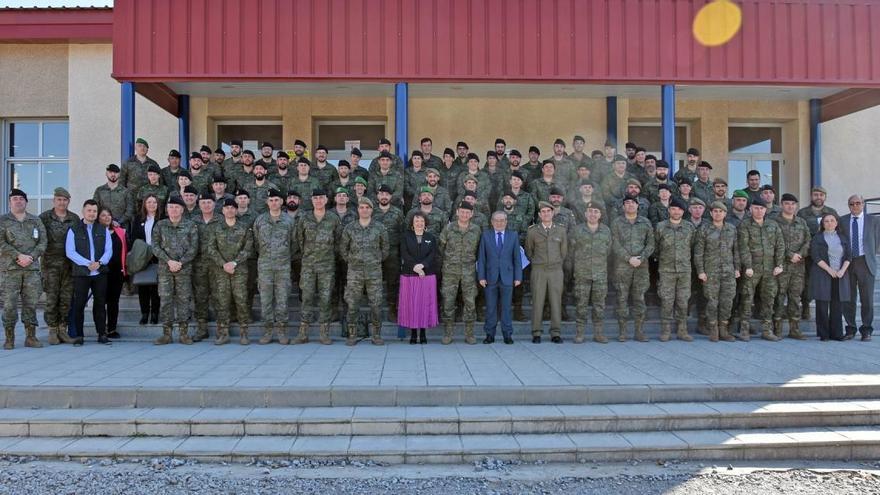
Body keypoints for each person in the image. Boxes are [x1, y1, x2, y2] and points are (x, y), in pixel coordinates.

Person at [293, 188, 341, 344]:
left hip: (327, 266)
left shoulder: (333, 219)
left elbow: (338, 241)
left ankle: (324, 333)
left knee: (325, 298)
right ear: (312, 200)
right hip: (308, 266)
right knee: (306, 297)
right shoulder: (304, 218)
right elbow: (299, 240)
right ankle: (303, 333)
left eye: (321, 198)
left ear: (326, 200)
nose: (318, 201)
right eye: (316, 198)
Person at [1, 189, 47, 350]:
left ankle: (31, 337)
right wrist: (18, 256)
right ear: (10, 202)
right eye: (15, 199)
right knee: (9, 305)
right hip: (10, 270)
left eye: (21, 198)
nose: (18, 201)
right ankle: (9, 338)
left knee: (31, 304)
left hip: (31, 270)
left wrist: (31, 257)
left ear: (26, 202)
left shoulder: (35, 220)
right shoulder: (3, 220)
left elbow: (43, 242)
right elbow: (1, 243)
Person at [340, 197, 389, 346]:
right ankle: (353, 334)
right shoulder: (350, 228)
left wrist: (376, 259)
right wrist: (353, 260)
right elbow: (343, 248)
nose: (364, 210)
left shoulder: (379, 228)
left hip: (374, 272)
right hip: (354, 272)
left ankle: (376, 334)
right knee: (353, 304)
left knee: (376, 304)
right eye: (362, 207)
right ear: (358, 209)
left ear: (372, 210)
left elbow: (385, 248)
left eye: (367, 207)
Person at [151, 195, 199, 345]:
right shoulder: (160, 225)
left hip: (183, 269)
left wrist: (180, 262)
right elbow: (155, 246)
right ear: (166, 209)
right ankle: (166, 334)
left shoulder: (190, 226)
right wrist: (169, 261)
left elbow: (194, 248)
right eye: (171, 207)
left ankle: (184, 334)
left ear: (182, 209)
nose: (173, 210)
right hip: (165, 269)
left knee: (184, 300)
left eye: (177, 207)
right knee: (166, 300)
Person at [736, 198, 785, 341]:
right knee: (747, 297)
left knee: (768, 298)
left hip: (770, 269)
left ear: (765, 210)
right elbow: (743, 247)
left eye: (761, 208)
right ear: (751, 209)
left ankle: (767, 330)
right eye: (756, 208)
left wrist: (779, 264)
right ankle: (744, 330)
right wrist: (748, 266)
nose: (759, 211)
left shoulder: (773, 225)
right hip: (752, 268)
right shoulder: (745, 225)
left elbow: (780, 245)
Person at [65, 199, 113, 346]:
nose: (92, 213)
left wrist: (99, 263)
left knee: (100, 304)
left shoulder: (103, 229)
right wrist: (88, 264)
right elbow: (70, 252)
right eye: (89, 210)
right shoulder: (74, 229)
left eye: (94, 211)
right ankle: (79, 335)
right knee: (79, 304)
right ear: (83, 211)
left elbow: (109, 250)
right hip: (82, 273)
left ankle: (101, 334)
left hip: (99, 273)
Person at [252, 189, 297, 345]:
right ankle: (267, 331)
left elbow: (294, 243)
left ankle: (282, 331)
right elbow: (256, 244)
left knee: (283, 300)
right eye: (271, 200)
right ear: (267, 202)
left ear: (281, 202)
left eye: (276, 200)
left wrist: (283, 256)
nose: (274, 203)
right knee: (265, 300)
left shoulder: (289, 221)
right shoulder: (260, 220)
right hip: (265, 266)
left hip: (283, 266)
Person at [207, 198, 254, 345]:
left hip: (239, 270)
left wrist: (234, 262)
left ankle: (244, 333)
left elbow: (248, 248)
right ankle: (223, 333)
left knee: (241, 300)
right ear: (222, 210)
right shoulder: (216, 228)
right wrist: (223, 264)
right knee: (222, 302)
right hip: (221, 271)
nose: (229, 210)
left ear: (236, 210)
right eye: (226, 208)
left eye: (232, 208)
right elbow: (211, 248)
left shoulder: (244, 228)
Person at [694, 201, 740, 342]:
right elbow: (698, 253)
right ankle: (713, 329)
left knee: (727, 301)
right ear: (711, 213)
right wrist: (701, 271)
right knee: (712, 301)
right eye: (715, 211)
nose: (718, 214)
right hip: (711, 271)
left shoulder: (731, 229)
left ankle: (723, 330)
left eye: (721, 211)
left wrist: (737, 268)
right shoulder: (704, 229)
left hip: (728, 271)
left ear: (725, 214)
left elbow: (736, 250)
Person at [611, 194, 655, 342]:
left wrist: (640, 258)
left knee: (640, 298)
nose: (630, 205)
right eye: (627, 203)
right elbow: (614, 242)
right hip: (622, 266)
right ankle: (622, 332)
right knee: (622, 298)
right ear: (623, 206)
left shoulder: (646, 222)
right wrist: (628, 258)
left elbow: (651, 244)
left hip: (641, 267)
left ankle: (639, 331)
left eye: (633, 203)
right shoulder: (617, 222)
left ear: (638, 206)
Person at [39, 187, 79, 345]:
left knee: (66, 299)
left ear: (68, 201)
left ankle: (63, 329)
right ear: (54, 201)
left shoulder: (74, 218)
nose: (62, 202)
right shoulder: (44, 218)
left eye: (65, 200)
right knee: (51, 298)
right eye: (59, 199)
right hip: (51, 265)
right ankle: (52, 330)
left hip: (69, 265)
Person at [439, 202, 482, 345]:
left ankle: (469, 334)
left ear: (471, 214)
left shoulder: (476, 230)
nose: (464, 215)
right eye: (462, 212)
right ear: (457, 212)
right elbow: (441, 249)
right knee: (448, 302)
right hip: (450, 272)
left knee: (470, 302)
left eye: (467, 212)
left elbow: (479, 251)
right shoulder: (448, 228)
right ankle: (448, 333)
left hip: (469, 272)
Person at [569, 202, 612, 343]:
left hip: (600, 274)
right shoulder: (577, 230)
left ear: (600, 215)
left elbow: (609, 251)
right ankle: (579, 333)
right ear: (586, 214)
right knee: (581, 304)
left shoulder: (606, 231)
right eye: (590, 211)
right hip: (582, 274)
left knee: (599, 305)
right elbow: (570, 251)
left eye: (596, 211)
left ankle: (598, 333)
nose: (593, 214)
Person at [478, 211, 523, 345]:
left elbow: (517, 258)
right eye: (496, 220)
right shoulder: (486, 236)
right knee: (491, 307)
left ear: (506, 221)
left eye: (502, 220)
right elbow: (482, 258)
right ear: (491, 222)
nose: (499, 223)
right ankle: (489, 334)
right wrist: (481, 276)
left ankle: (507, 334)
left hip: (508, 277)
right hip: (490, 277)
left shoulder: (513, 235)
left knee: (506, 307)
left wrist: (518, 277)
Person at [525, 201, 568, 343]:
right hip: (539, 270)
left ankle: (555, 333)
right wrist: (538, 262)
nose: (546, 214)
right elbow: (529, 251)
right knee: (538, 301)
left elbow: (564, 251)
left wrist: (556, 262)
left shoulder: (561, 230)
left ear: (553, 213)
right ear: (539, 214)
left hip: (556, 270)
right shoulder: (532, 231)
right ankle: (536, 332)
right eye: (543, 212)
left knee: (556, 301)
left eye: (548, 211)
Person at [655, 197, 697, 342]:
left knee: (683, 300)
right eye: (673, 208)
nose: (676, 211)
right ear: (669, 210)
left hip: (684, 270)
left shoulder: (689, 227)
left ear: (683, 211)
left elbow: (692, 246)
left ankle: (682, 330)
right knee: (666, 300)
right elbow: (656, 247)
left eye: (679, 209)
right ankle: (665, 331)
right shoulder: (660, 227)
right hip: (666, 269)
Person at [839, 194, 880, 340]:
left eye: (858, 203)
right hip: (847, 263)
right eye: (851, 204)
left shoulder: (874, 220)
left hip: (865, 262)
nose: (855, 206)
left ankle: (866, 330)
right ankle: (850, 329)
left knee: (867, 298)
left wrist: (871, 253)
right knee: (848, 298)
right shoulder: (842, 220)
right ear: (848, 205)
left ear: (863, 204)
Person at [772, 193, 811, 339]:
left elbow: (808, 241)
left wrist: (799, 254)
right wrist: (790, 255)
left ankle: (794, 329)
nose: (790, 206)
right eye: (787, 203)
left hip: (798, 267)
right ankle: (777, 329)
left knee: (795, 297)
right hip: (780, 265)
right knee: (779, 296)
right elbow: (773, 242)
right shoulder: (774, 221)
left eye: (793, 204)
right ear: (782, 205)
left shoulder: (801, 222)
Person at [810, 213, 852, 341]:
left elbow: (848, 256)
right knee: (822, 304)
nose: (829, 223)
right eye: (826, 221)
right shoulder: (818, 238)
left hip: (840, 275)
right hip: (823, 273)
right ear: (822, 224)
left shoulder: (843, 238)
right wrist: (829, 269)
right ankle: (824, 334)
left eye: (832, 220)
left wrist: (842, 271)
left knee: (837, 305)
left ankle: (836, 333)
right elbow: (815, 256)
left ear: (836, 223)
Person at [399, 212, 439, 344]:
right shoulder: (406, 237)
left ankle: (422, 332)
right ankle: (413, 333)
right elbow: (405, 253)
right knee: (412, 304)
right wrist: (415, 267)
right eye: (416, 221)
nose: (419, 223)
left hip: (427, 275)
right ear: (412, 223)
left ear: (425, 223)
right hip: (410, 274)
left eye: (421, 221)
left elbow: (433, 254)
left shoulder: (430, 237)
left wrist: (422, 266)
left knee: (424, 304)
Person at [131, 194, 161, 325]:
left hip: (157, 256)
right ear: (144, 204)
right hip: (142, 256)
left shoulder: (162, 219)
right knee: (143, 286)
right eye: (149, 202)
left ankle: (154, 314)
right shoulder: (138, 219)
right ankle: (144, 314)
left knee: (155, 287)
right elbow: (134, 238)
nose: (151, 204)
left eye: (154, 202)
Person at [98, 207, 126, 339]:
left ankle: (112, 329)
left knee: (113, 301)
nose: (106, 217)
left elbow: (127, 249)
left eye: (109, 215)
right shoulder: (95, 232)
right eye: (103, 215)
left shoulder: (120, 232)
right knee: (101, 301)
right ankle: (101, 329)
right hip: (101, 271)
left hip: (117, 272)